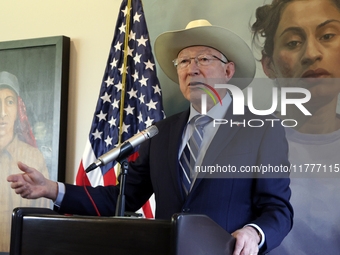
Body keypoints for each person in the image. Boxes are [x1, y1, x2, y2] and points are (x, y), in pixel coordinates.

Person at [8, 20, 293, 255]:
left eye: (204, 59)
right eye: (183, 61)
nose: (192, 68)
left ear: (228, 71)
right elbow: (121, 198)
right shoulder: (160, 132)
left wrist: (255, 234)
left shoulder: (262, 129)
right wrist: (51, 189)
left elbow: (278, 209)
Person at [252, 0, 340, 253]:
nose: (312, 53)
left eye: (327, 35)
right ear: (269, 65)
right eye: (293, 42)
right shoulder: (241, 144)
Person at [0, 71, 49, 252]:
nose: (2, 112)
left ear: (18, 109)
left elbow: (43, 223)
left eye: (9, 102)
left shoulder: (33, 158)